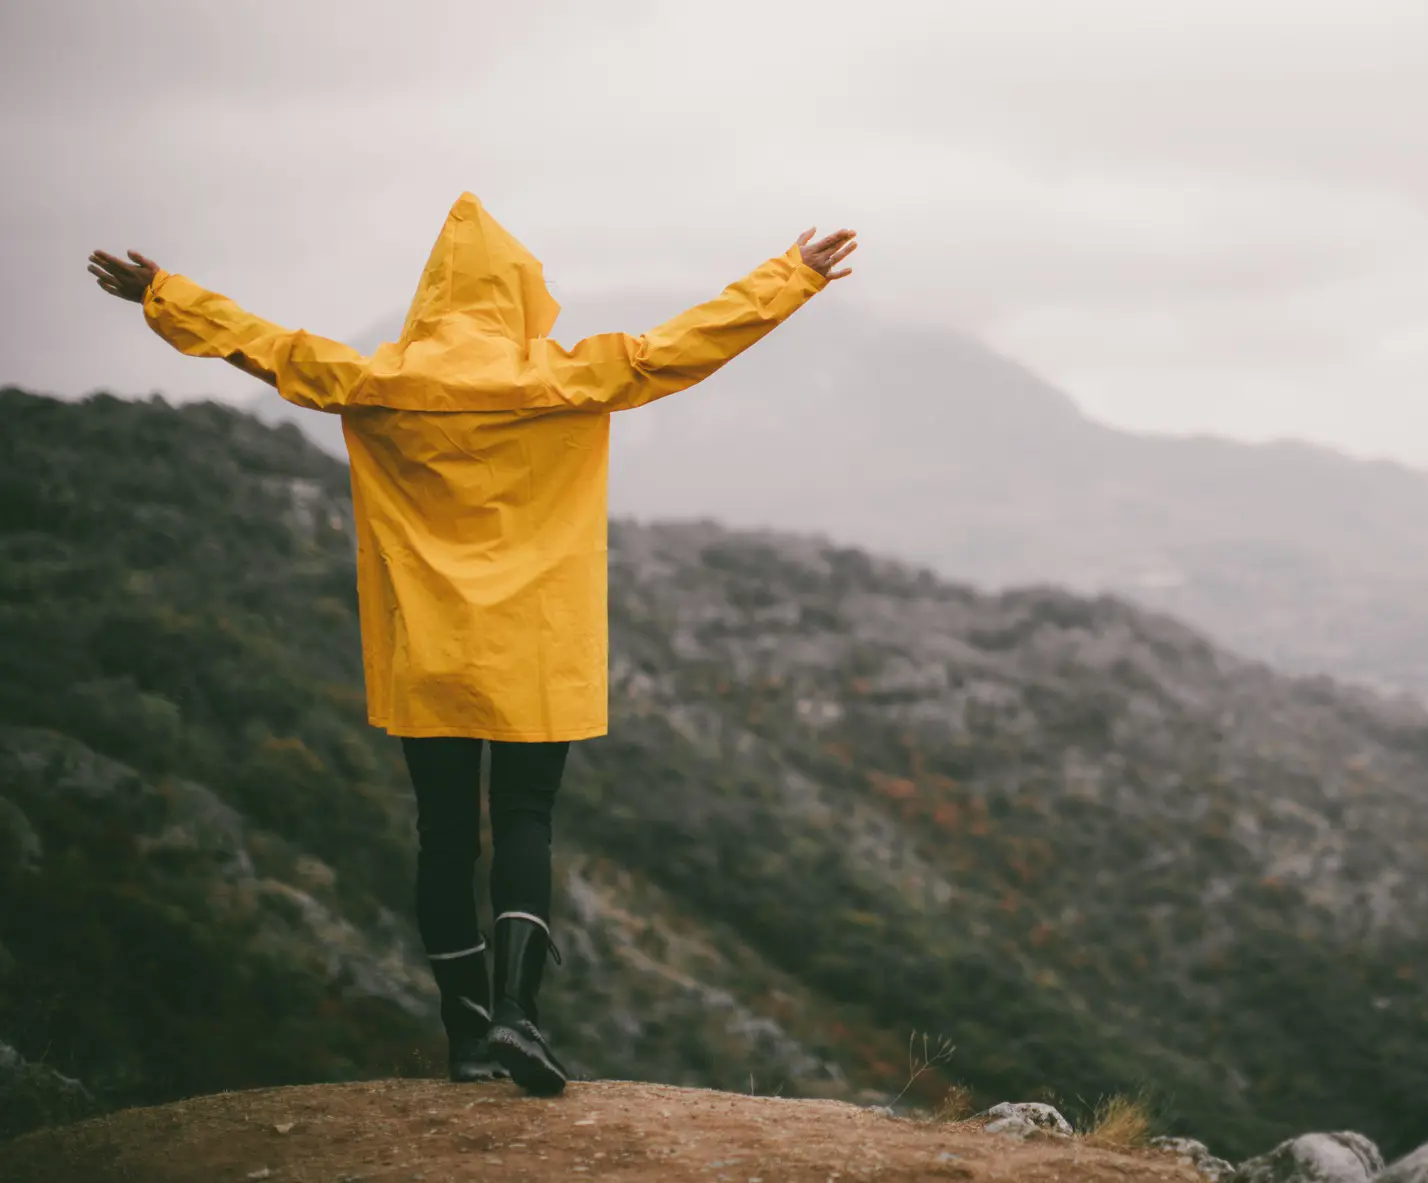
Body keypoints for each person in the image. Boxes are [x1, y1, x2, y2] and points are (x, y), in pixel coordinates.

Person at [86, 193, 856, 1096]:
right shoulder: (564, 375)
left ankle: (465, 1036)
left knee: (443, 838)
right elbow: (684, 345)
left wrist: (164, 295)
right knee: (527, 818)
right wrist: (791, 276)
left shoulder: (376, 378)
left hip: (432, 648)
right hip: (535, 646)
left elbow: (267, 349)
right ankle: (518, 1013)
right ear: (519, 295)